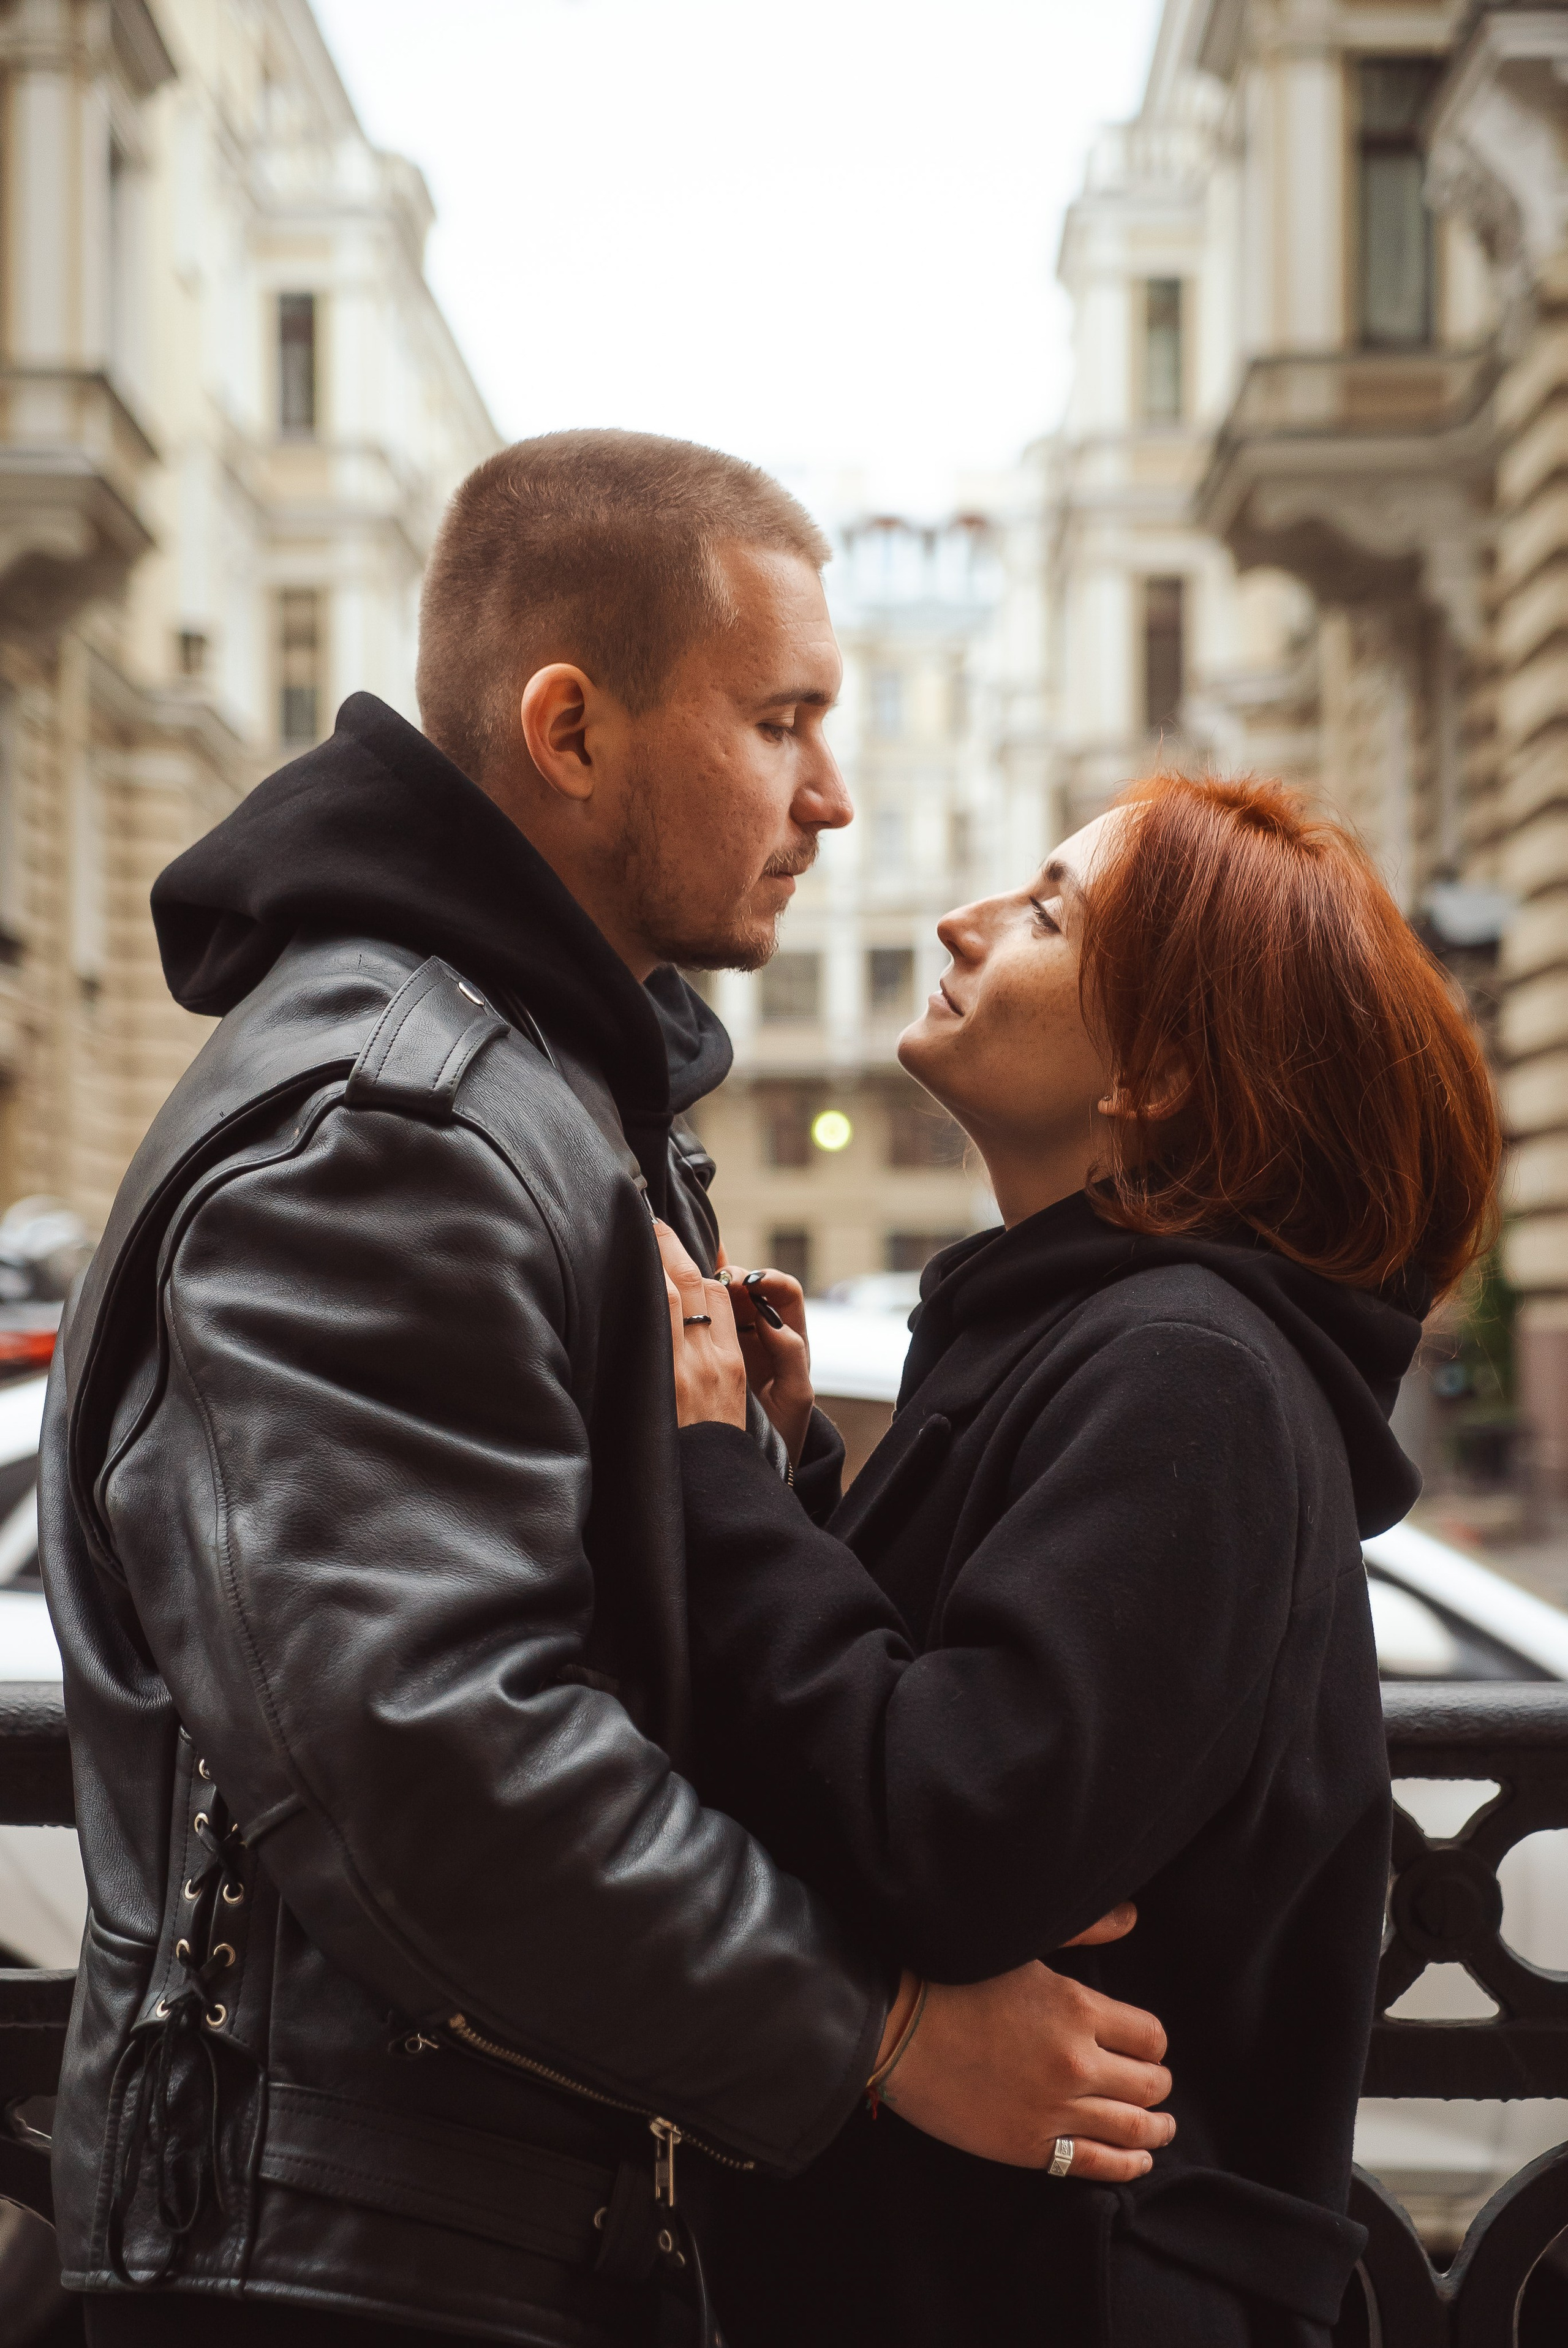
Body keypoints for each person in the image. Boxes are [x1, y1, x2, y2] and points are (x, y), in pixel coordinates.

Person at [37, 432, 1173, 2348]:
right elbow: (432, 1750)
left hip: (454, 2217)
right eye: (780, 719)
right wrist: (878, 2032)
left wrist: (751, 1466)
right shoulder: (390, 1116)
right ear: (570, 732)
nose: (831, 794)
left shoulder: (541, 1079)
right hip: (349, 2262)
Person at [656, 773, 1501, 2348]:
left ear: (1161, 1073)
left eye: (1045, 912)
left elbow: (952, 1829)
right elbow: (932, 1723)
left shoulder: (1190, 1369)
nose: (960, 922)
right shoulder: (1091, 1338)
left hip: (1064, 2287)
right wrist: (791, 1472)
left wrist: (716, 1487)